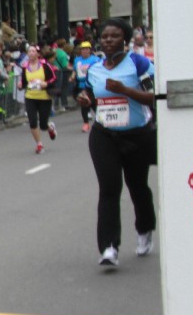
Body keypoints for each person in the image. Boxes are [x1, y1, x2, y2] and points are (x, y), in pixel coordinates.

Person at [76, 19, 157, 269]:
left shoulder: (139, 64)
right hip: (104, 134)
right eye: (105, 36)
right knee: (109, 188)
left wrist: (125, 90)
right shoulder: (95, 69)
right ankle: (109, 247)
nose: (108, 40)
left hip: (137, 135)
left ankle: (144, 228)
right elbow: (91, 93)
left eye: (114, 36)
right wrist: (85, 98)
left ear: (125, 40)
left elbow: (154, 97)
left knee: (137, 186)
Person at [19, 44, 57, 153]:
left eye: (33, 51)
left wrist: (46, 83)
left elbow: (54, 78)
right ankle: (39, 144)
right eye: (29, 51)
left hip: (44, 97)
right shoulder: (25, 67)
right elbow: (24, 81)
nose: (31, 53)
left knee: (43, 125)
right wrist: (20, 85)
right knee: (32, 122)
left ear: (38, 54)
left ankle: (50, 128)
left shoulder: (45, 65)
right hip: (30, 97)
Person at [72, 41, 98, 132]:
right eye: (83, 49)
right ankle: (86, 123)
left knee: (94, 104)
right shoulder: (77, 60)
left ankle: (101, 121)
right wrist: (72, 76)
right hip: (81, 85)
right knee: (84, 104)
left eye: (87, 49)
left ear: (90, 50)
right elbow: (75, 70)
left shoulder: (95, 59)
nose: (85, 51)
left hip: (92, 85)